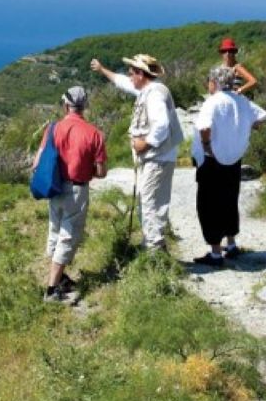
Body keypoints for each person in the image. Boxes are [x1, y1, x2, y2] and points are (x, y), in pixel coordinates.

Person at [89, 53, 183, 251]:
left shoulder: (155, 94)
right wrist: (102, 69)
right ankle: (153, 241)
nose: (130, 75)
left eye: (132, 72)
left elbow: (161, 125)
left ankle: (155, 248)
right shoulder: (148, 90)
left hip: (157, 157)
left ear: (141, 74)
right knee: (149, 199)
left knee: (149, 200)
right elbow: (122, 82)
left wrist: (145, 144)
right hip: (157, 157)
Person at [33, 86, 107, 303]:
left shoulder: (53, 128)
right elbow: (102, 172)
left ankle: (60, 277)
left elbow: (37, 162)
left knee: (55, 231)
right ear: (84, 106)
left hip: (54, 188)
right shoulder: (94, 133)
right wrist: (88, 170)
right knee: (68, 236)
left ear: (66, 105)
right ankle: (51, 289)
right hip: (76, 190)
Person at [191, 65, 266, 267]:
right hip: (234, 158)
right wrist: (245, 127)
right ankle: (231, 244)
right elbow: (263, 116)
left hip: (212, 158)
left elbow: (204, 127)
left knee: (208, 205)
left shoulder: (213, 102)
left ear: (214, 82)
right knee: (229, 200)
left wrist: (206, 145)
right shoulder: (241, 100)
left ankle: (216, 253)